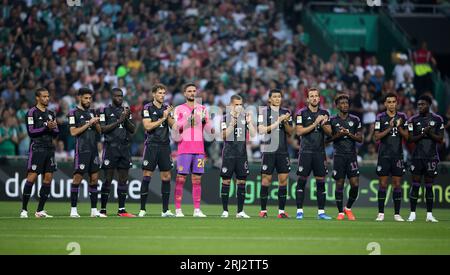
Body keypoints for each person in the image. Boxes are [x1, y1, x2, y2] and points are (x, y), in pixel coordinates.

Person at [173, 83, 213, 217]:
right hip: (184, 149)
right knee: (180, 179)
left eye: (194, 91)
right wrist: (188, 121)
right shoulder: (179, 109)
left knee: (197, 179)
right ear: (185, 93)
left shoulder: (202, 109)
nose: (192, 93)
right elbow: (175, 128)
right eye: (189, 91)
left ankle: (197, 209)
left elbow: (209, 130)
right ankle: (178, 209)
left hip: (199, 150)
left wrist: (207, 123)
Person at [20, 88, 59, 218]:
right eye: (44, 96)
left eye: (48, 96)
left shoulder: (51, 113)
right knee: (32, 177)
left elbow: (56, 133)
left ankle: (40, 210)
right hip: (37, 148)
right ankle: (24, 210)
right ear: (37, 98)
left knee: (48, 179)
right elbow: (31, 132)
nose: (47, 98)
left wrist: (53, 127)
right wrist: (46, 127)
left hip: (49, 149)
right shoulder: (31, 113)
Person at [67, 88, 105, 218]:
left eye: (90, 98)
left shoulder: (93, 112)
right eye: (85, 98)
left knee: (94, 179)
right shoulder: (73, 113)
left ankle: (94, 210)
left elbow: (99, 131)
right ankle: (73, 209)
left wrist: (96, 123)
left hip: (93, 150)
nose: (88, 100)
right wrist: (89, 123)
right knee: (77, 178)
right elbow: (73, 132)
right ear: (79, 98)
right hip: (82, 149)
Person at [295, 87, 332, 220]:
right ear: (307, 99)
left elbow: (330, 133)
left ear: (319, 98)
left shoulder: (325, 113)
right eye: (312, 96)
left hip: (319, 153)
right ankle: (299, 211)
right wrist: (315, 123)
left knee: (321, 182)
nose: (314, 98)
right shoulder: (301, 113)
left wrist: (322, 124)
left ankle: (321, 212)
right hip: (305, 152)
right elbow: (299, 132)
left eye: (316, 95)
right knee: (301, 182)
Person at [98, 88, 136, 217]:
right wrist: (119, 121)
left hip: (124, 148)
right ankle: (103, 210)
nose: (120, 98)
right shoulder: (104, 110)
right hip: (110, 148)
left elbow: (132, 130)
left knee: (123, 180)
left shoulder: (126, 111)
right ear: (111, 97)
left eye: (121, 96)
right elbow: (102, 129)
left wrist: (125, 119)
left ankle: (122, 210)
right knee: (107, 179)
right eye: (117, 96)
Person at [139, 84, 176, 217]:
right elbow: (148, 126)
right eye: (160, 93)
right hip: (151, 145)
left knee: (166, 176)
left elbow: (174, 126)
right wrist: (163, 118)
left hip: (165, 146)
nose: (162, 95)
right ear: (154, 94)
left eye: (163, 93)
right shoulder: (147, 108)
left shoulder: (166, 108)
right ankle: (142, 209)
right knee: (147, 175)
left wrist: (172, 117)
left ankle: (165, 210)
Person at [257, 89, 294, 218]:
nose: (277, 99)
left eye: (279, 97)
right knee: (266, 180)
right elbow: (261, 130)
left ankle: (281, 212)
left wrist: (284, 121)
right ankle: (263, 210)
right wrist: (278, 121)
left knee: (283, 180)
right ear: (269, 99)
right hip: (269, 150)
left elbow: (290, 132)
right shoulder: (263, 113)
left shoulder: (286, 113)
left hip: (282, 151)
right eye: (275, 97)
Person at [407, 95, 444, 222]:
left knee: (429, 186)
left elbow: (440, 139)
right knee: (415, 185)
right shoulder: (413, 120)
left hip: (431, 157)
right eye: (418, 105)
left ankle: (429, 215)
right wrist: (423, 133)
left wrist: (429, 133)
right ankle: (412, 213)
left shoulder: (437, 119)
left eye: (422, 104)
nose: (420, 107)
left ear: (429, 105)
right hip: (417, 157)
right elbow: (410, 139)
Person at [374, 92, 409, 222]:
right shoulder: (380, 117)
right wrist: (390, 127)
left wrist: (398, 126)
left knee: (397, 184)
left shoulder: (402, 117)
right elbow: (376, 137)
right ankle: (381, 213)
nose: (391, 104)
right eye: (389, 102)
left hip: (397, 155)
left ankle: (397, 214)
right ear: (385, 104)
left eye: (393, 102)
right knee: (382, 184)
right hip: (384, 155)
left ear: (396, 103)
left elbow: (407, 137)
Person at [220, 94, 256, 218]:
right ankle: (225, 211)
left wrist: (249, 123)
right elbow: (224, 136)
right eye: (236, 105)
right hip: (229, 154)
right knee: (226, 181)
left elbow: (253, 133)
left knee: (242, 182)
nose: (239, 107)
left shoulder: (245, 117)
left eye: (241, 105)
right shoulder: (225, 118)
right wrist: (233, 122)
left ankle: (240, 211)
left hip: (241, 154)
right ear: (231, 105)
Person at [328, 94, 363, 220]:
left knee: (355, 184)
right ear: (337, 106)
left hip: (352, 156)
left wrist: (348, 134)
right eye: (342, 103)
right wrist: (338, 134)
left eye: (346, 103)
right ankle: (340, 212)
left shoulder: (355, 120)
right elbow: (327, 140)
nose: (345, 105)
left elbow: (360, 138)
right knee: (339, 184)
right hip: (338, 156)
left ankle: (348, 208)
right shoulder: (332, 120)